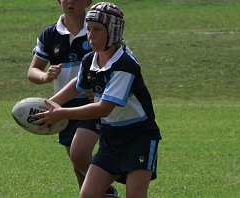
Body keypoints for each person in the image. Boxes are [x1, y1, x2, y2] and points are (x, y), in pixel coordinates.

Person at [32, 2, 162, 198]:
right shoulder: (91, 60)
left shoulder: (124, 65)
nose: (90, 35)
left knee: (135, 195)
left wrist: (60, 112)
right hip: (111, 137)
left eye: (97, 30)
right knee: (88, 195)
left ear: (114, 32)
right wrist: (48, 104)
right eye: (89, 29)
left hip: (139, 137)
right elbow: (77, 86)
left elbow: (103, 109)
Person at [27, 0, 118, 196]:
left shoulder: (96, 30)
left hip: (92, 104)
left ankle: (106, 187)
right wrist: (45, 76)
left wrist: (102, 85)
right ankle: (96, 192)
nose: (70, 1)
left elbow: (113, 64)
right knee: (77, 165)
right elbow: (32, 70)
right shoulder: (50, 34)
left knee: (79, 152)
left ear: (87, 1)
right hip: (63, 107)